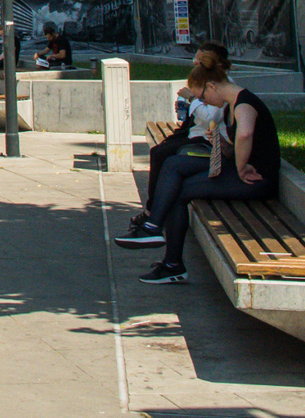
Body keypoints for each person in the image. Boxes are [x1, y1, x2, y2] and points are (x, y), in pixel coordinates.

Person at [135, 49, 281, 284]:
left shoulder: (244, 103)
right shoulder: (232, 104)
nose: (203, 102)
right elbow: (235, 146)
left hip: (255, 180)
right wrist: (220, 142)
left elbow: (246, 134)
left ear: (212, 86)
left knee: (180, 192)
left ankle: (168, 256)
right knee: (174, 169)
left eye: (202, 97)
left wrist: (242, 168)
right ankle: (161, 243)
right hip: (242, 174)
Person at [116, 42, 230, 246]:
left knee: (167, 162)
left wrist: (193, 99)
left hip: (209, 145)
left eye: (200, 59)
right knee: (163, 155)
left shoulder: (221, 86)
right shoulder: (211, 82)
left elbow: (212, 117)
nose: (195, 62)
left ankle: (153, 219)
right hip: (199, 136)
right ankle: (154, 221)